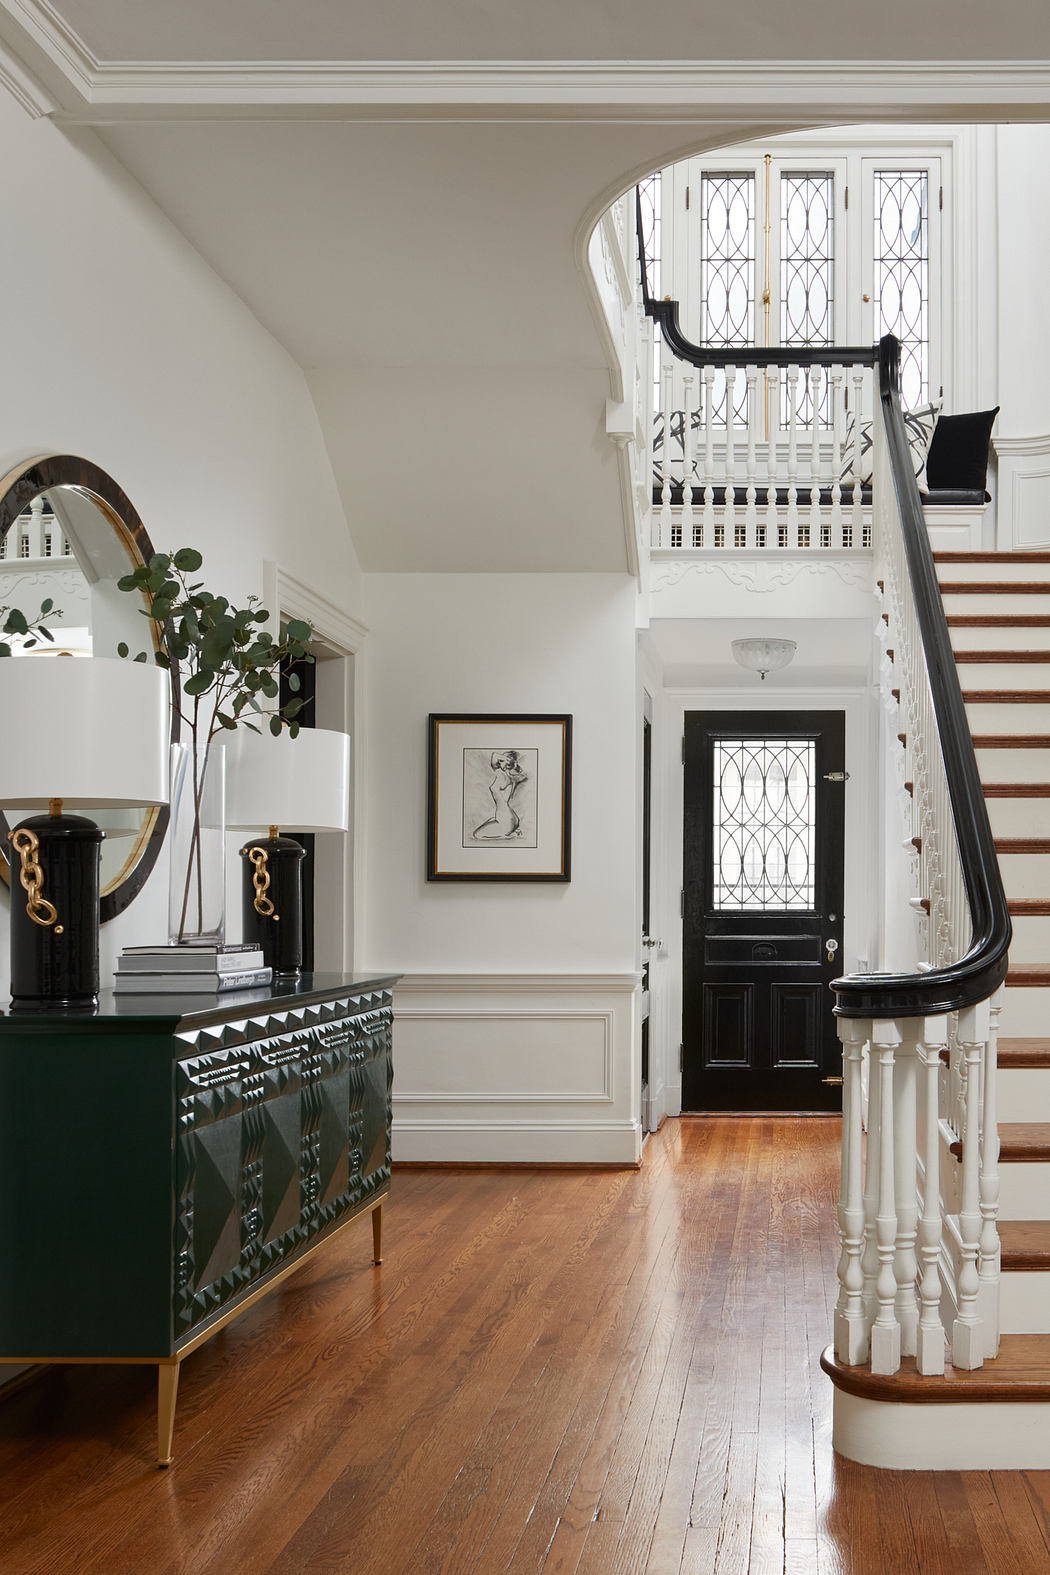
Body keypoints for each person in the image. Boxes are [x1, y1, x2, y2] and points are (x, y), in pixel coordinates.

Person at [472, 749, 527, 840]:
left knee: (477, 835)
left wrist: (507, 760)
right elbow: (494, 756)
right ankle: (512, 831)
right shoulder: (510, 776)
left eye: (502, 761)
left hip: (505, 820)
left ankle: (509, 836)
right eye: (500, 760)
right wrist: (507, 760)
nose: (499, 762)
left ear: (508, 763)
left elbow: (495, 756)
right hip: (510, 818)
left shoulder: (503, 776)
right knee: (491, 820)